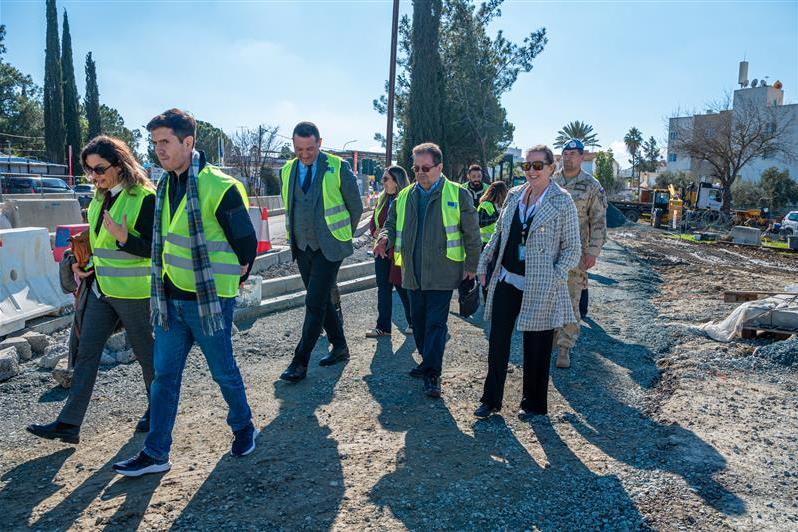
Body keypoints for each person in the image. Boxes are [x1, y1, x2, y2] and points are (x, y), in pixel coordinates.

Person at [113, 109, 258, 477]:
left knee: (223, 372)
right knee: (164, 378)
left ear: (188, 142)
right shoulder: (163, 186)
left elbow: (246, 243)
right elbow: (161, 243)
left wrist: (236, 276)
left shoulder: (219, 186)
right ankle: (156, 453)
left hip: (209, 302)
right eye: (155, 143)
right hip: (169, 302)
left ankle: (244, 428)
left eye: (165, 141)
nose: (158, 149)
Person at [27, 136, 156, 444]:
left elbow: (155, 248)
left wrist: (125, 238)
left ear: (120, 164)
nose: (94, 176)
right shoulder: (98, 198)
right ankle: (69, 424)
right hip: (100, 289)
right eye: (89, 170)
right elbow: (98, 242)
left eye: (100, 169)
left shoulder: (145, 197)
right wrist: (80, 261)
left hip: (134, 293)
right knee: (86, 353)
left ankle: (159, 412)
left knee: (147, 355)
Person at [474, 145, 581, 419]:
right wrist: (484, 262)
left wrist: (556, 276)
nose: (531, 171)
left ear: (551, 168)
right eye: (527, 166)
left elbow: (572, 249)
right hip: (507, 278)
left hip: (541, 284)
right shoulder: (514, 195)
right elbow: (499, 234)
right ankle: (490, 400)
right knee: (498, 341)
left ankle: (533, 404)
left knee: (537, 345)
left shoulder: (562, 201)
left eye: (537, 166)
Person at [375, 143, 481, 398]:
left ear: (439, 167)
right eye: (416, 168)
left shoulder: (458, 194)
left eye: (426, 168)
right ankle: (427, 360)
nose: (420, 173)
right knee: (419, 322)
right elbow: (390, 224)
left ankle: (433, 373)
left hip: (443, 272)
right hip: (412, 271)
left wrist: (471, 266)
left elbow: (472, 234)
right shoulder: (404, 196)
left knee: (435, 323)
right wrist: (384, 238)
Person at [278, 122, 363, 383]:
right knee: (322, 298)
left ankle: (299, 362)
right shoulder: (287, 170)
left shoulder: (338, 167)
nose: (304, 154)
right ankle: (340, 347)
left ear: (320, 143)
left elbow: (356, 207)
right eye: (299, 149)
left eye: (310, 148)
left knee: (314, 303)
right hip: (302, 247)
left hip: (330, 247)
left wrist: (340, 235)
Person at [551, 139, 607, 369]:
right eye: (565, 153)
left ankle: (565, 347)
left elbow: (599, 221)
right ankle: (552, 337)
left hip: (576, 252)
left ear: (582, 157)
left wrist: (593, 252)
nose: (568, 157)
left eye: (573, 153)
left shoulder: (592, 185)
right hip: (549, 252)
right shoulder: (551, 180)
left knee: (571, 299)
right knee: (548, 297)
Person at [366, 166, 413, 338]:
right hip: (381, 251)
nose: (382, 182)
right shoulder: (382, 198)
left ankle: (414, 322)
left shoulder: (407, 199)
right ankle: (383, 327)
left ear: (396, 181)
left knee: (402, 288)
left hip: (398, 252)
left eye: (386, 179)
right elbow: (374, 221)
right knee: (383, 289)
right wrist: (376, 233)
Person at [477, 181, 509, 247]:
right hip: (486, 242)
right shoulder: (485, 205)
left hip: (499, 242)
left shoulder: (505, 205)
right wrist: (498, 217)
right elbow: (479, 223)